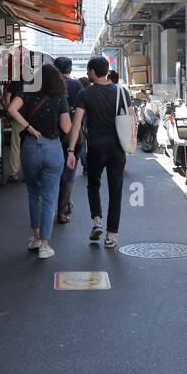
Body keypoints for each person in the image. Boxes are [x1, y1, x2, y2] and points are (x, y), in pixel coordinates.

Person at [7, 63, 71, 260]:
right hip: (52, 148)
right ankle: (45, 244)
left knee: (33, 193)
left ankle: (35, 238)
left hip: (31, 147)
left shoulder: (27, 92)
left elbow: (11, 109)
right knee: (50, 197)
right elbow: (67, 128)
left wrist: (29, 128)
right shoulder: (60, 98)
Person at [67, 56, 126, 248]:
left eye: (87, 70)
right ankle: (111, 236)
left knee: (93, 184)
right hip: (118, 148)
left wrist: (70, 150)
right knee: (115, 190)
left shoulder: (85, 94)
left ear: (93, 71)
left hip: (95, 147)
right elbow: (131, 119)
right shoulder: (122, 92)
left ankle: (97, 221)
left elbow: (76, 125)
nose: (87, 73)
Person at [53, 57, 84, 224]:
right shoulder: (76, 85)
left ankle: (50, 207)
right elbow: (82, 114)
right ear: (70, 70)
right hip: (73, 135)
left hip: (53, 135)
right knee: (69, 172)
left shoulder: (48, 86)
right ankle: (63, 211)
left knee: (52, 172)